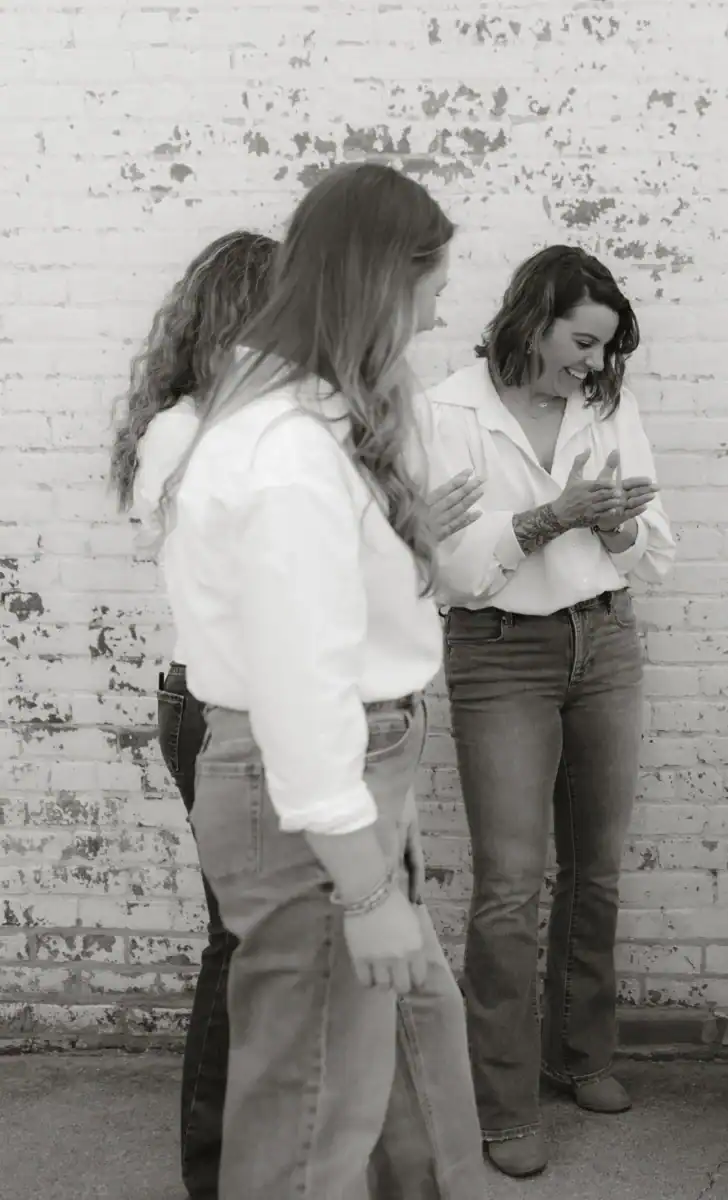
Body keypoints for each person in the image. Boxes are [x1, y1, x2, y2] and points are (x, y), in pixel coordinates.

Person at [155, 161, 482, 1197]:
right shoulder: (288, 453)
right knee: (311, 1111)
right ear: (384, 279)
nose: (440, 309)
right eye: (432, 284)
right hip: (316, 790)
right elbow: (300, 690)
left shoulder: (303, 425)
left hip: (342, 776)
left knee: (397, 1054)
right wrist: (368, 884)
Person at [422, 244, 676, 1178]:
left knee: (596, 871)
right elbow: (446, 569)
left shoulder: (608, 406)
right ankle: (502, 1105)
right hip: (500, 655)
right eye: (583, 341)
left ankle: (583, 1053)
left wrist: (617, 525)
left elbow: (654, 550)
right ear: (533, 315)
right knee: (508, 888)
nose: (595, 365)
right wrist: (550, 518)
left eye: (607, 349)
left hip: (604, 641)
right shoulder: (444, 411)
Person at [110, 228, 276, 1200]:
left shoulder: (247, 424)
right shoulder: (186, 430)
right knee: (242, 941)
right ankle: (213, 1171)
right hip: (217, 707)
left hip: (253, 701)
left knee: (272, 941)